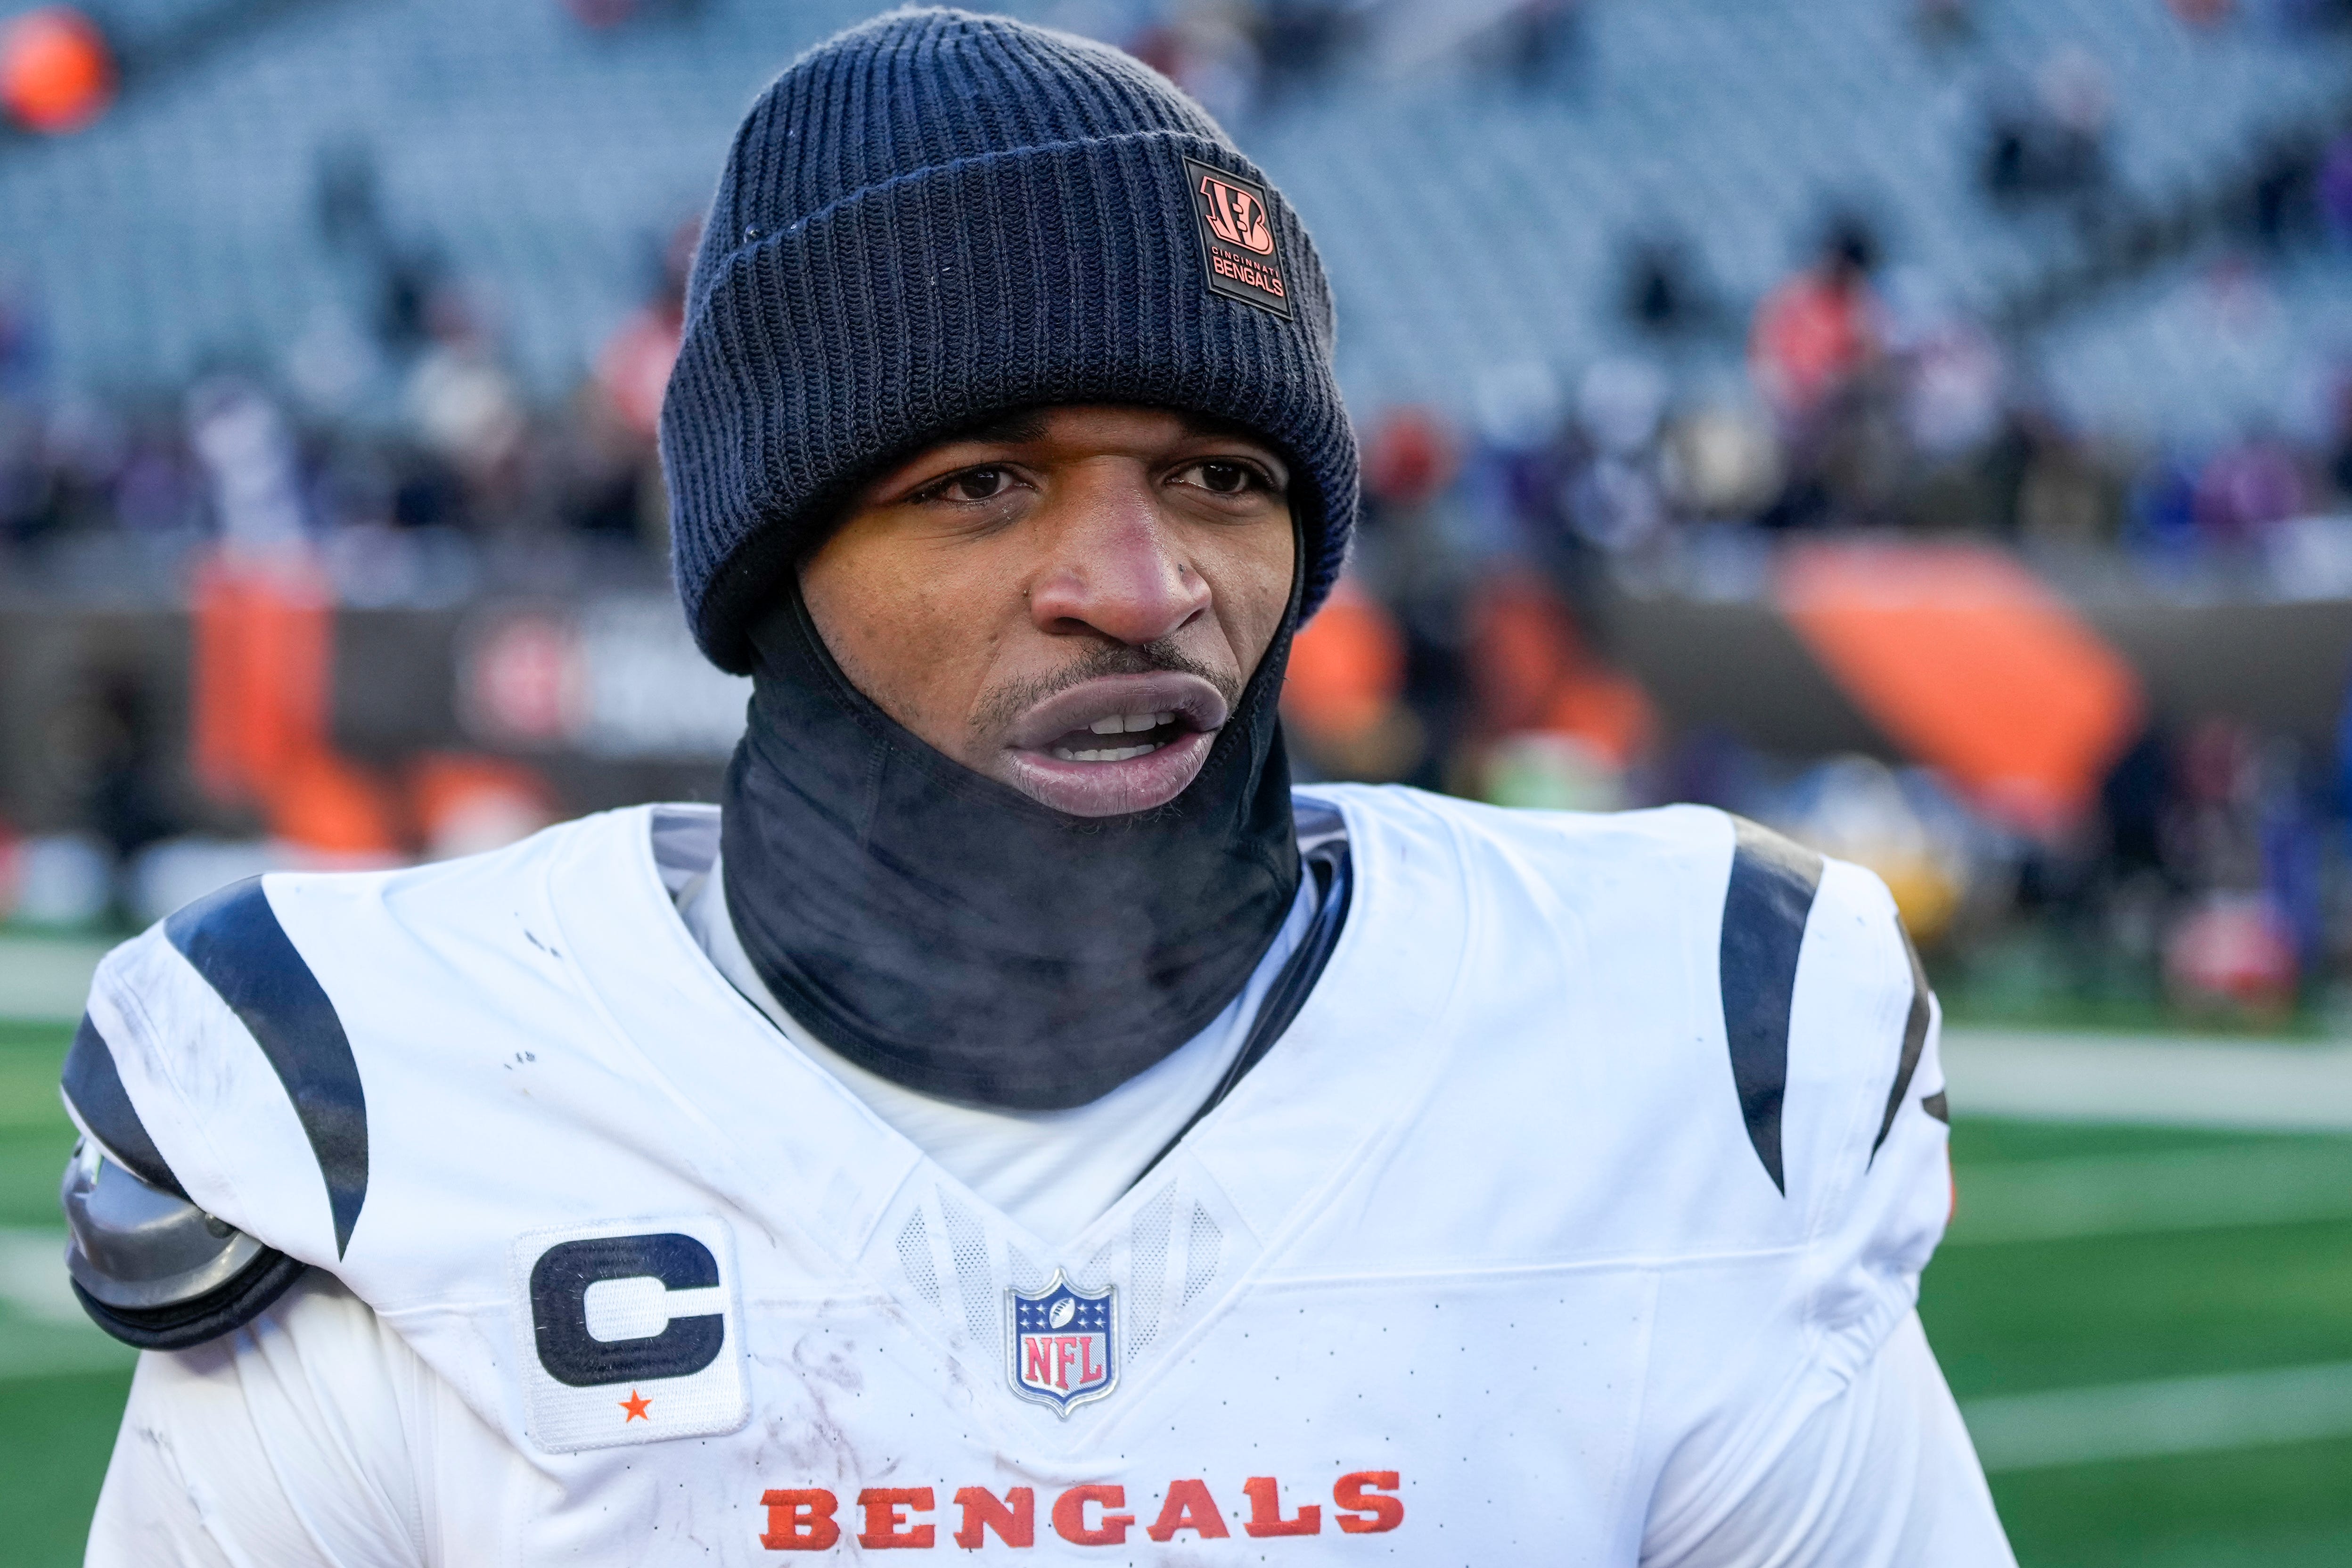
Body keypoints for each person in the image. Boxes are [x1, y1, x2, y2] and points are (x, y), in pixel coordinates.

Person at [62, 10, 2013, 1562]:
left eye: (1219, 477)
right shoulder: (393, 1099)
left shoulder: (1668, 1055)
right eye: (983, 484)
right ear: (780, 552)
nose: (1140, 586)